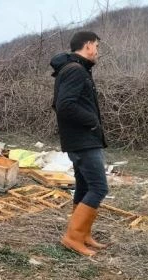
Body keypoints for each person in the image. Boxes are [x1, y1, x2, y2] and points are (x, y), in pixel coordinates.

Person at [49, 31, 109, 257]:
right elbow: (64, 105)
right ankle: (73, 237)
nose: (97, 52)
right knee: (99, 188)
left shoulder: (75, 69)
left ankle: (82, 234)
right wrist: (92, 121)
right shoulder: (75, 71)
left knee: (84, 187)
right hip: (83, 141)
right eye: (97, 46)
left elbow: (60, 104)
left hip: (81, 139)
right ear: (88, 46)